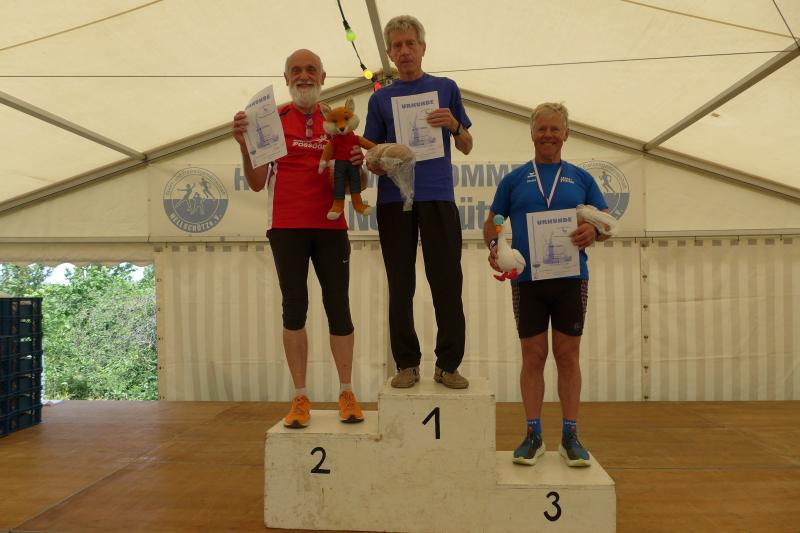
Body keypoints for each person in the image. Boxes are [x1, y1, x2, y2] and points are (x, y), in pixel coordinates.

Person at [231, 49, 364, 428]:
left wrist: (356, 168)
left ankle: (346, 391)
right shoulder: (271, 120)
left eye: (310, 70)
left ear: (323, 76)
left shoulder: (337, 120)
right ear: (286, 78)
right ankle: (301, 396)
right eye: (296, 71)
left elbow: (355, 184)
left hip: (331, 227)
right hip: (286, 226)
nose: (303, 76)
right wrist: (244, 145)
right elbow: (257, 183)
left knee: (339, 306)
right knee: (294, 308)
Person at [484, 102, 609, 467]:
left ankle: (570, 435)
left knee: (568, 356)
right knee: (533, 356)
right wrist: (495, 248)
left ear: (566, 134)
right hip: (528, 281)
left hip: (571, 279)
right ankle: (533, 434)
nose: (548, 135)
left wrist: (593, 231)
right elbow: (492, 222)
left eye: (555, 129)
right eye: (542, 129)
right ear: (532, 133)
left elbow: (604, 223)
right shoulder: (514, 180)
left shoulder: (582, 179)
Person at [363, 15, 473, 389]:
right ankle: (407, 364)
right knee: (400, 284)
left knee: (447, 282)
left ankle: (448, 365)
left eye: (411, 43)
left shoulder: (446, 88)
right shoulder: (380, 98)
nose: (405, 51)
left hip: (438, 196)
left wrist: (454, 125)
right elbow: (370, 154)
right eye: (397, 46)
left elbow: (467, 145)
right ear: (390, 53)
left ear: (423, 48)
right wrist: (376, 162)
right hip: (393, 200)